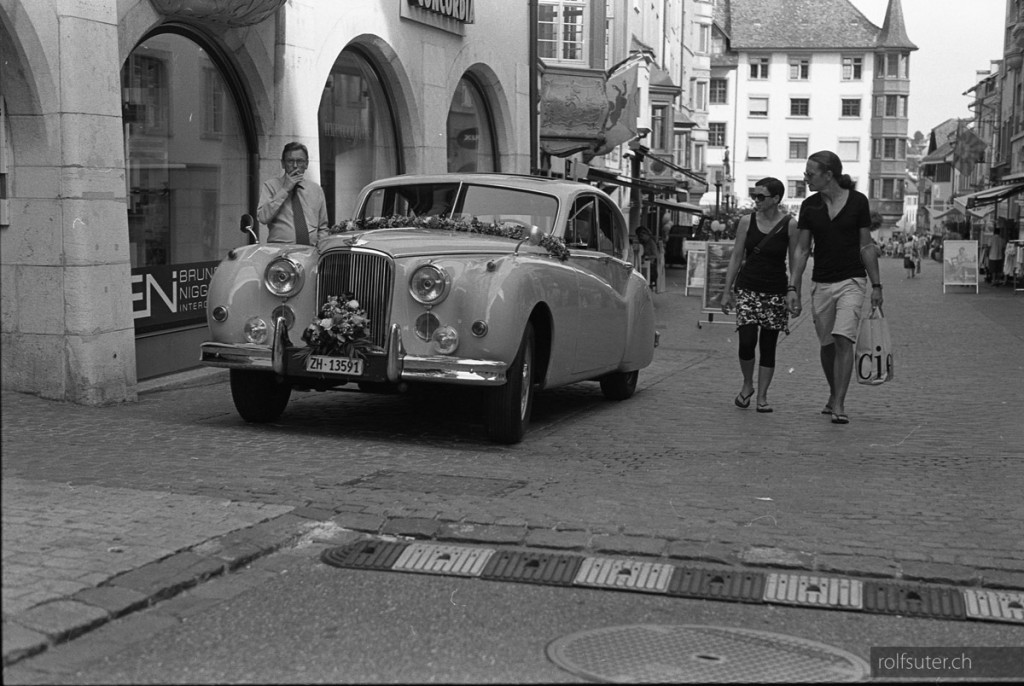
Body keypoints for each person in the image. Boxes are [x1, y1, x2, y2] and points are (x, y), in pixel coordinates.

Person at [787, 150, 883, 425]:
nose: (806, 179)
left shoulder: (857, 202)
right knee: (827, 344)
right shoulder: (810, 206)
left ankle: (840, 402)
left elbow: (866, 245)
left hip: (852, 280)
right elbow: (802, 250)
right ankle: (833, 393)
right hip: (822, 282)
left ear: (829, 175)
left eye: (810, 174)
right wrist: (793, 287)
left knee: (843, 338)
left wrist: (876, 285)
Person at [721, 177, 798, 413]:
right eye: (755, 195)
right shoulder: (747, 221)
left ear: (776, 199)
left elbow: (795, 260)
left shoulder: (790, 224)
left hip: (775, 290)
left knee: (768, 345)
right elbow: (736, 256)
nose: (756, 200)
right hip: (748, 288)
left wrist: (794, 291)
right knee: (746, 341)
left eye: (761, 196)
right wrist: (726, 290)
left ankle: (762, 396)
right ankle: (747, 383)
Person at [257, 142, 330, 244]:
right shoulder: (270, 186)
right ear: (283, 163)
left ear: (306, 164)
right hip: (280, 251)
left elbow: (323, 227)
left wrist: (319, 248)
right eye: (290, 161)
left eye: (300, 161)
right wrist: (285, 189)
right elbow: (263, 218)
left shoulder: (316, 190)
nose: (295, 166)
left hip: (310, 252)